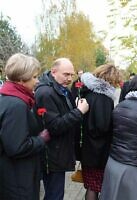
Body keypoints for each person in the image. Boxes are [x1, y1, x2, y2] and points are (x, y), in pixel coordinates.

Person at [34, 58, 89, 200]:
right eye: (66, 74)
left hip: (57, 153)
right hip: (51, 155)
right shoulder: (46, 93)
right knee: (55, 195)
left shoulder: (59, 89)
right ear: (53, 72)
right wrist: (79, 112)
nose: (70, 78)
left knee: (55, 194)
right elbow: (54, 127)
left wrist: (76, 106)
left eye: (71, 75)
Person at [0, 53, 50, 200]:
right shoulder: (17, 105)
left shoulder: (7, 97)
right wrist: (41, 139)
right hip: (17, 180)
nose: (37, 81)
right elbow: (17, 147)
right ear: (22, 79)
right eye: (34, 77)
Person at [79, 64, 121, 200]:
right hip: (98, 151)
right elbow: (102, 126)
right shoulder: (103, 98)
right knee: (95, 186)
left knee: (91, 186)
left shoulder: (89, 93)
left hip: (87, 148)